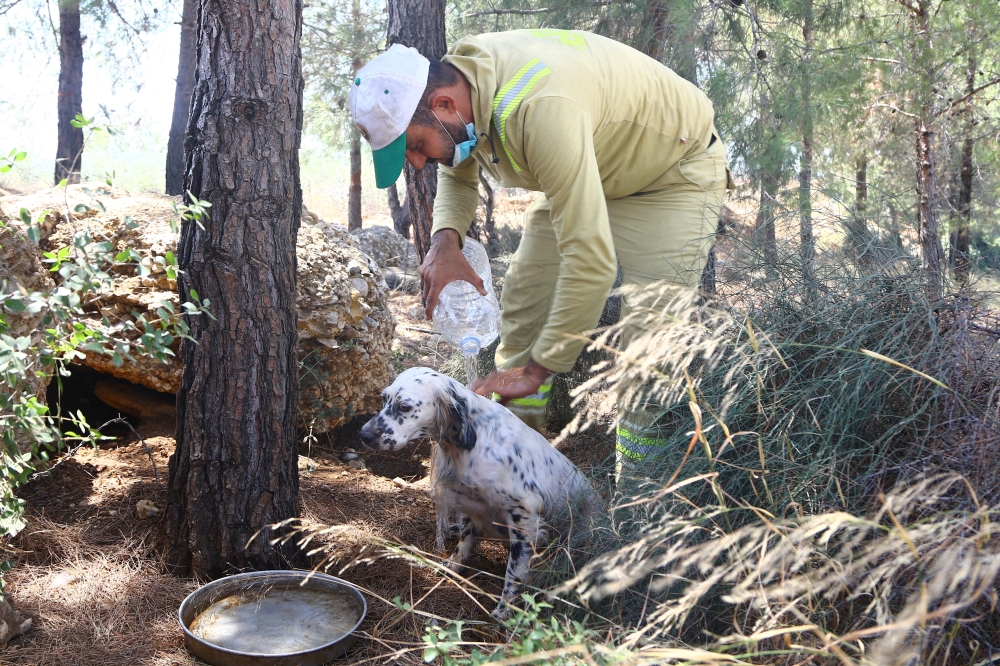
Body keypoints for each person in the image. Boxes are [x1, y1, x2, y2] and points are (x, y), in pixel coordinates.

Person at [348, 29, 733, 475]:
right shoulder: (463, 83)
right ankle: (515, 463)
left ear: (445, 105)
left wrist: (539, 370)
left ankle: (639, 499)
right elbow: (458, 166)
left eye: (415, 145)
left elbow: (590, 262)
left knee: (648, 344)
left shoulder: (539, 108)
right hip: (598, 164)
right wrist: (444, 239)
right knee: (525, 305)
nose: (416, 163)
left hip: (671, 174)